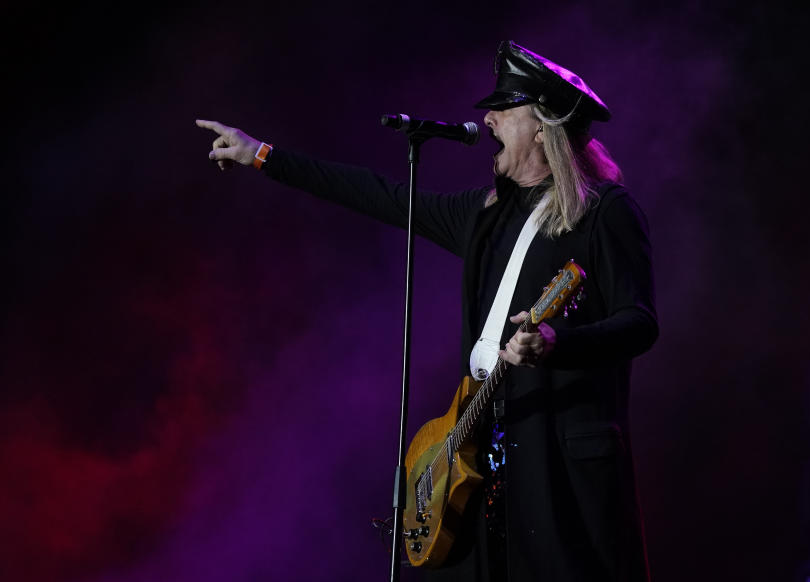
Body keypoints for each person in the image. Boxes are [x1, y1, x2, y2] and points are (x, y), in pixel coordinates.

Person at [197, 40, 658, 582]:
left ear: (540, 125)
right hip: (483, 443)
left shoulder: (603, 213)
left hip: (559, 454)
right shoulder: (485, 216)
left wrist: (560, 343)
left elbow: (639, 321)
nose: (486, 120)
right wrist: (264, 156)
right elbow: (381, 195)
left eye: (502, 110)